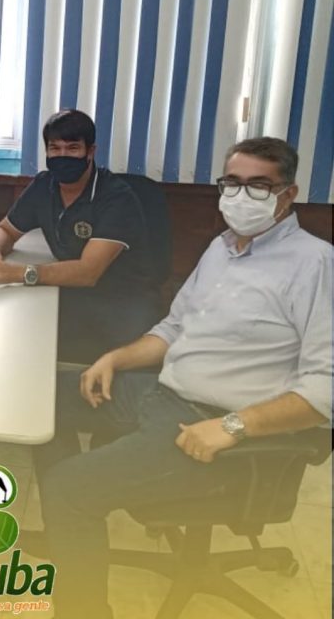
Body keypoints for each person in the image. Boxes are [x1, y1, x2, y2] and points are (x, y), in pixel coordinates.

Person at [28, 137, 332, 618]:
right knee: (38, 404)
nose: (241, 196)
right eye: (232, 183)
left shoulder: (316, 264)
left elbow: (325, 389)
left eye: (258, 186)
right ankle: (77, 531)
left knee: (70, 489)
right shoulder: (222, 247)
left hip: (214, 425)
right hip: (163, 393)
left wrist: (232, 427)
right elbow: (174, 328)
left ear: (288, 194)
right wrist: (116, 359)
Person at [0, 110, 159, 363]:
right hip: (68, 292)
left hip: (118, 302)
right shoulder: (44, 185)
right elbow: (5, 230)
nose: (62, 156)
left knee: (27, 345)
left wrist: (17, 273)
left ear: (90, 151)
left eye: (72, 148)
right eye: (54, 148)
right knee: (2, 326)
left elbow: (88, 273)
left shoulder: (116, 198)